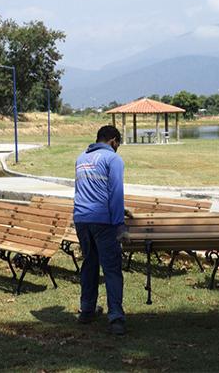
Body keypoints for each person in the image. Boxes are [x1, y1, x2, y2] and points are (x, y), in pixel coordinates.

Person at [73, 125, 127, 335]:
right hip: (103, 221)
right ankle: (116, 318)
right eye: (118, 145)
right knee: (112, 269)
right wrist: (120, 226)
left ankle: (87, 310)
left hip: (81, 219)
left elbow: (87, 191)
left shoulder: (81, 159)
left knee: (90, 264)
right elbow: (115, 192)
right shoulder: (112, 159)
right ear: (113, 140)